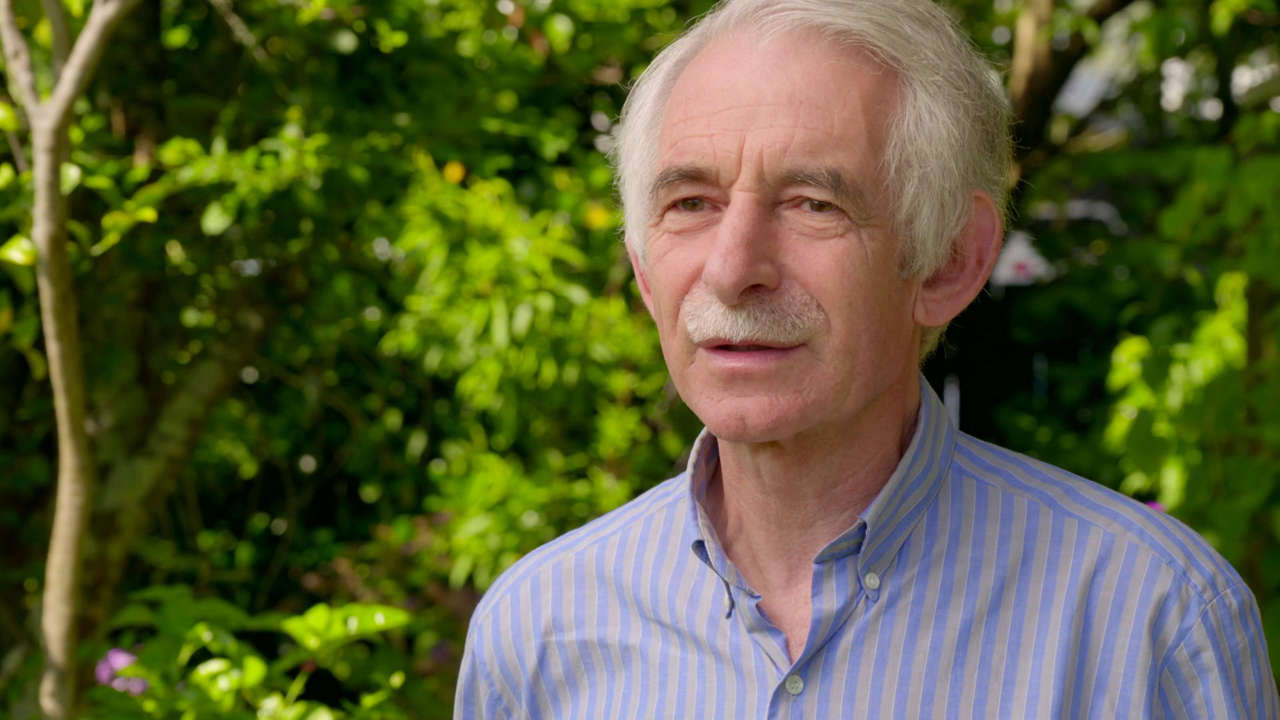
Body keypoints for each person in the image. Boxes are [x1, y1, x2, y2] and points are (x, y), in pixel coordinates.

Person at [454, 0, 1280, 716]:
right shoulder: (537, 631)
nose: (733, 269)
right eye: (691, 203)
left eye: (813, 204)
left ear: (950, 261)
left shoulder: (1149, 621)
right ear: (643, 268)